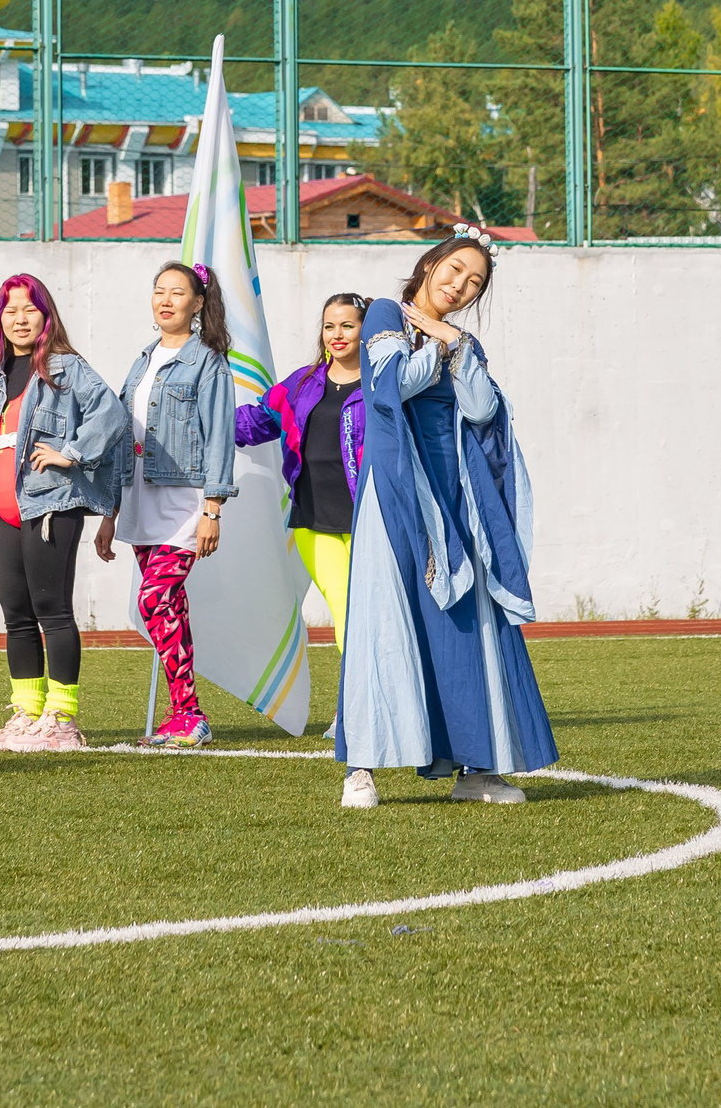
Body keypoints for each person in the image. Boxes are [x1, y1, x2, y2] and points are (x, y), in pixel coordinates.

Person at [335, 228, 556, 809]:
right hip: (398, 492)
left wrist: (455, 344)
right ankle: (362, 766)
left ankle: (476, 768)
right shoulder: (385, 314)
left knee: (468, 622)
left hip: (457, 496)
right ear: (430, 264)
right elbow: (390, 388)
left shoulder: (460, 339)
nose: (460, 285)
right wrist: (437, 346)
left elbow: (482, 409)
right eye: (454, 270)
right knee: (386, 616)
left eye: (474, 282)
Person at [0, 274, 128, 752]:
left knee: (53, 611)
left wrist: (71, 452)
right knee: (17, 616)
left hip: (51, 507)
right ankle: (26, 715)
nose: (20, 319)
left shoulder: (67, 369)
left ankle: (62, 720)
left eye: (29, 310)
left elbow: (111, 416)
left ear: (46, 317)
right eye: (10, 311)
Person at [96, 262, 238, 748]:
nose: (165, 300)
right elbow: (120, 437)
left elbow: (220, 435)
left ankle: (189, 714)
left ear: (197, 304)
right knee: (170, 607)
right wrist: (109, 512)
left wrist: (212, 509)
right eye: (158, 291)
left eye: (177, 293)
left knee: (153, 599)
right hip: (138, 499)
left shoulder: (208, 362)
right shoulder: (142, 359)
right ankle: (187, 717)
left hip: (184, 502)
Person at [235, 293, 367, 650]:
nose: (336, 334)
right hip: (313, 514)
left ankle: (375, 699)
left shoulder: (379, 385)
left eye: (347, 325)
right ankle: (355, 701)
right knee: (344, 605)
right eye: (329, 326)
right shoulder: (302, 383)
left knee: (371, 609)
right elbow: (259, 420)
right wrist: (206, 418)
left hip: (369, 517)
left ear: (364, 330)